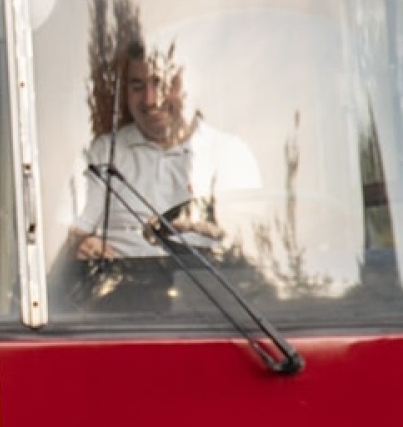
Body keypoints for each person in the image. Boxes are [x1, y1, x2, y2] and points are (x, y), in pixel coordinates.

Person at [65, 39, 260, 307]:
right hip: (118, 303)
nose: (150, 100)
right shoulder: (104, 152)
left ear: (192, 87)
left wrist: (198, 226)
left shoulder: (228, 153)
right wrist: (85, 245)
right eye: (137, 86)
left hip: (211, 306)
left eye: (161, 83)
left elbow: (250, 246)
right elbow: (73, 232)